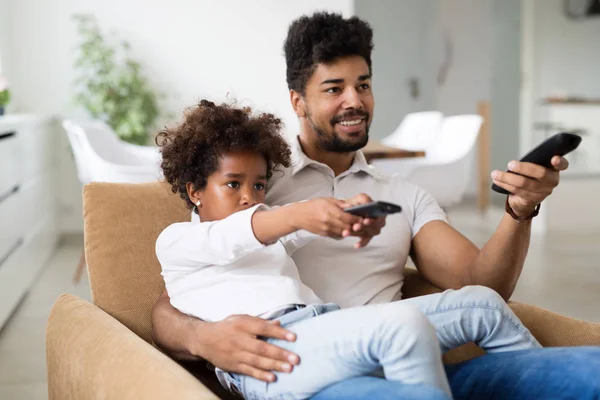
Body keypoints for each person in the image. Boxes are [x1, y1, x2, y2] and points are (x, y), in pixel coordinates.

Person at [151, 11, 600, 400]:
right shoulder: (255, 188)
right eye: (333, 88)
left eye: (362, 84)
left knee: (544, 343)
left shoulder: (401, 194)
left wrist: (519, 210)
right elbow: (177, 293)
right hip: (316, 374)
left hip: (420, 364)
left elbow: (484, 284)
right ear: (298, 102)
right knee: (399, 341)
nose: (354, 101)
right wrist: (203, 338)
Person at [154, 100, 541, 400]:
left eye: (258, 186)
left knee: (482, 305)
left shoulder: (267, 233)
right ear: (194, 191)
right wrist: (298, 214)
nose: (249, 198)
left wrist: (348, 215)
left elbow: (292, 231)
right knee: (402, 327)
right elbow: (244, 232)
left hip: (319, 329)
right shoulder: (177, 241)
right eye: (232, 184)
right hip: (268, 360)